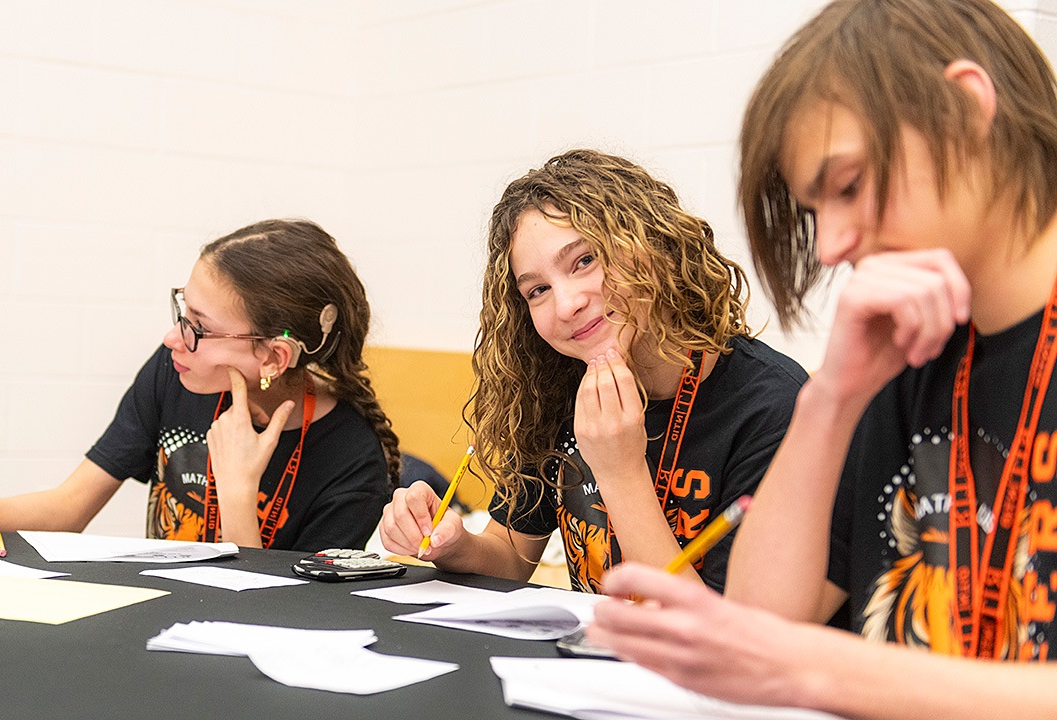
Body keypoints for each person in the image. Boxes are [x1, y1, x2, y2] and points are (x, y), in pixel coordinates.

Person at [587, 0, 1057, 716]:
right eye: (814, 212)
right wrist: (833, 397)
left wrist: (817, 670)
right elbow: (760, 626)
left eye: (849, 186)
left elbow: (785, 658)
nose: (833, 243)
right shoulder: (915, 358)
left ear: (965, 109)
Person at [380, 149, 808, 593]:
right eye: (538, 290)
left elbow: (724, 634)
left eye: (585, 261)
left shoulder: (773, 405)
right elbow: (511, 556)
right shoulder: (557, 387)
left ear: (651, 245)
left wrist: (620, 472)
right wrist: (453, 544)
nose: (567, 304)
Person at [0, 219, 399, 552]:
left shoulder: (352, 460)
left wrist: (237, 489)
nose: (173, 339)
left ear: (274, 357)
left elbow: (277, 618)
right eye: (183, 311)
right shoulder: (175, 371)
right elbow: (67, 509)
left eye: (199, 327)